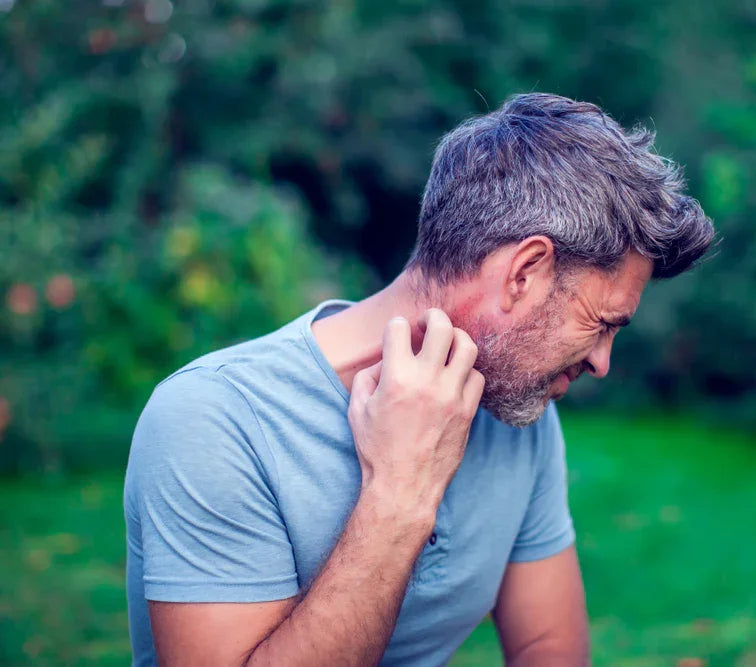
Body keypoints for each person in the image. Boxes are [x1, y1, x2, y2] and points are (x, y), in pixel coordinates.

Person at [124, 92, 715, 666]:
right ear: (525, 273)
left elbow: (548, 647)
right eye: (600, 322)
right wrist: (400, 490)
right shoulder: (214, 418)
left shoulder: (519, 412)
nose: (603, 362)